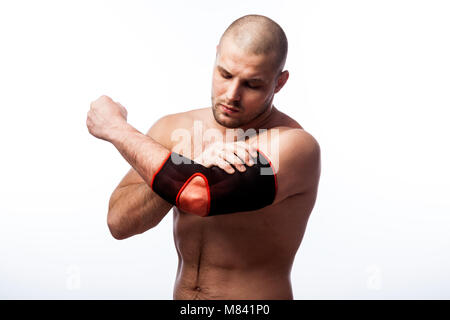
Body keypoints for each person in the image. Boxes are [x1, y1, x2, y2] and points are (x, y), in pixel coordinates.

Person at [86, 14, 321, 300]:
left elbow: (199, 193)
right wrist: (185, 159)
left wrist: (117, 129)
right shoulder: (174, 130)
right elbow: (119, 223)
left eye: (253, 84)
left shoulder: (294, 146)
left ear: (279, 82)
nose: (232, 94)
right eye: (225, 74)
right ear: (216, 56)